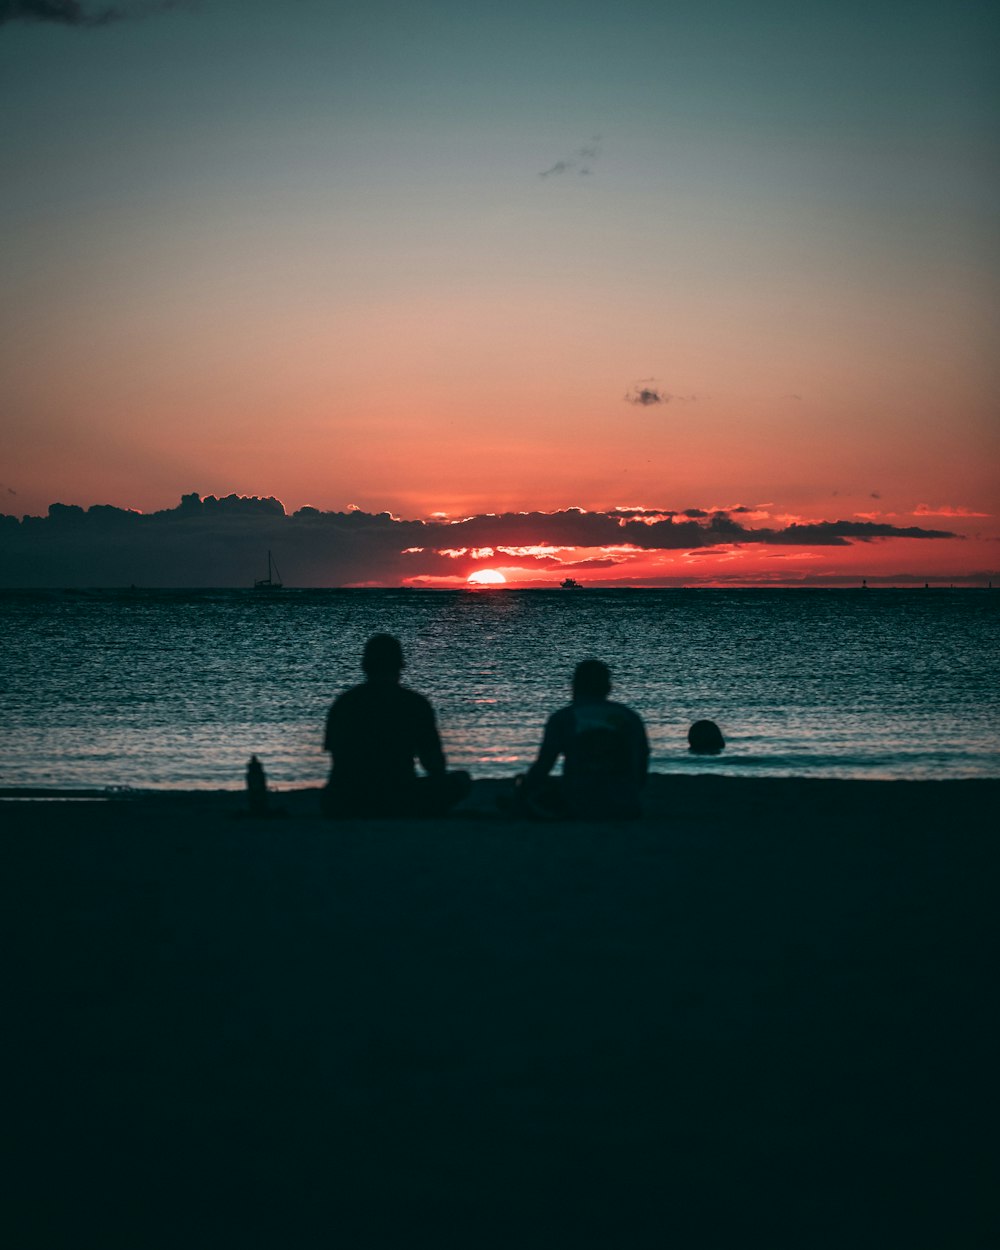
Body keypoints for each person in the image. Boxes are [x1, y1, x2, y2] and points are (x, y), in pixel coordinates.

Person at [321, 634, 471, 818]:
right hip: (399, 797)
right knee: (460, 780)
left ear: (365, 666)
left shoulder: (344, 703)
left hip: (348, 799)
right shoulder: (415, 704)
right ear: (400, 666)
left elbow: (339, 759)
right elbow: (434, 764)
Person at [520, 659, 649, 819]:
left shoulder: (563, 718)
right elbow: (642, 762)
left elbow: (544, 764)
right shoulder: (629, 717)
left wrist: (523, 790)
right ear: (608, 687)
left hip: (579, 804)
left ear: (574, 686)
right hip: (625, 804)